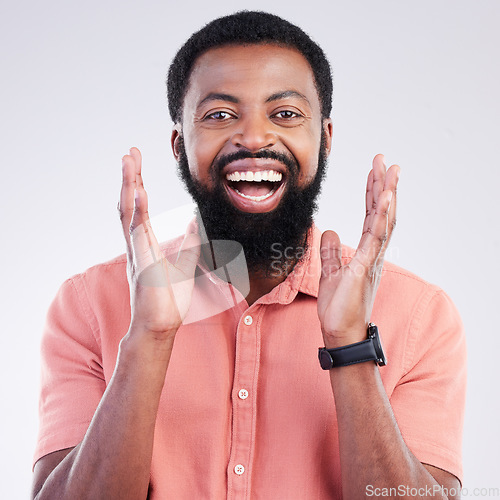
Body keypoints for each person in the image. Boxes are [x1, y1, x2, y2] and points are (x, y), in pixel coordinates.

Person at [31, 11, 466, 500]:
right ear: (179, 146)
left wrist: (350, 348)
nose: (255, 138)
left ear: (324, 139)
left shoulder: (421, 316)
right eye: (220, 115)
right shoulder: (86, 306)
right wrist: (148, 340)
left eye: (284, 114)